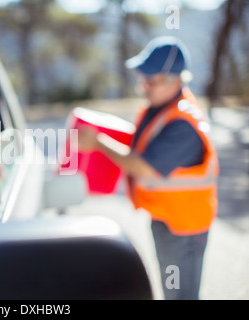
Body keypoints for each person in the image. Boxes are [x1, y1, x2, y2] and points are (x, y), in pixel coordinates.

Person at [77, 36, 219, 300]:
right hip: (167, 217)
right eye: (142, 79)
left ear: (174, 80)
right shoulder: (159, 107)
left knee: (180, 296)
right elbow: (141, 143)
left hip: (183, 226)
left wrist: (98, 142)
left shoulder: (183, 124)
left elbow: (143, 167)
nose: (143, 87)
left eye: (150, 81)